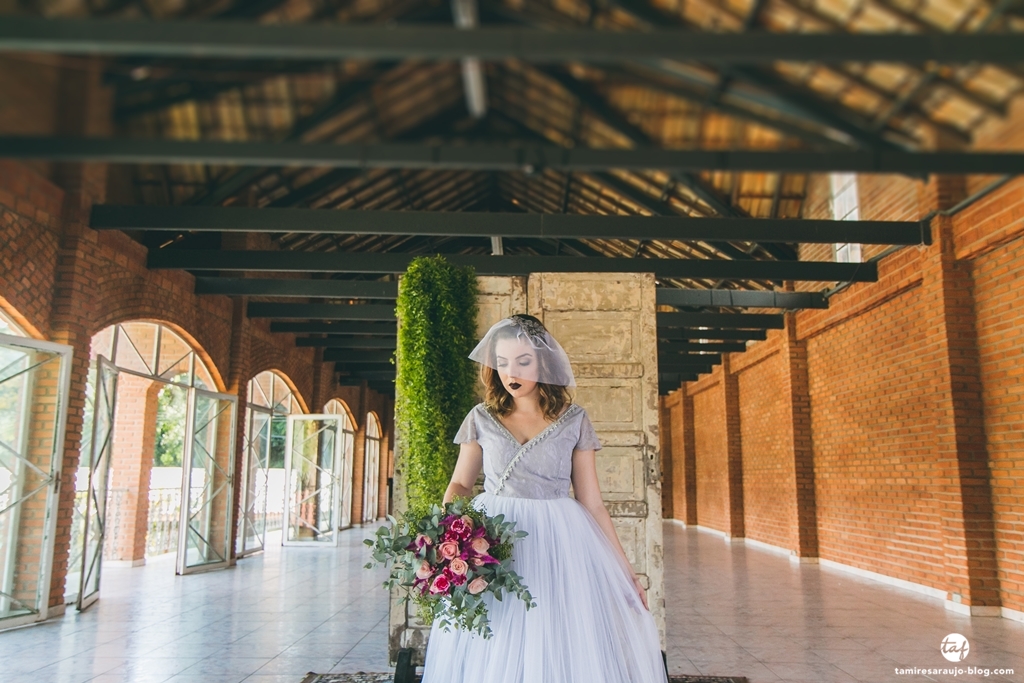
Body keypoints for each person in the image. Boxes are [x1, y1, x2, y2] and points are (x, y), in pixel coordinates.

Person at [420, 314, 669, 683]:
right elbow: (459, 484)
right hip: (493, 543)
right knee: (497, 636)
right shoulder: (481, 418)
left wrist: (625, 572)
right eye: (502, 362)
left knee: (555, 636)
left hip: (559, 546)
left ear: (543, 361)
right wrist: (450, 535)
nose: (510, 372)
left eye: (523, 361)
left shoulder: (574, 420)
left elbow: (593, 502)